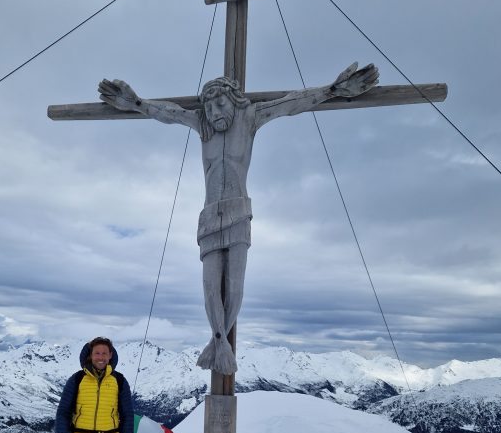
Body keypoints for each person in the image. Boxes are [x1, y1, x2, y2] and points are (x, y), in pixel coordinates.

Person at [99, 63, 378, 374]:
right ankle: (220, 342)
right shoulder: (202, 123)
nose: (216, 109)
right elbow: (170, 113)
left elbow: (291, 104)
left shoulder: (249, 118)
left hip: (239, 213)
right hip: (209, 217)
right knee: (208, 287)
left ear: (235, 100)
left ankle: (220, 343)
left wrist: (332, 90)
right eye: (209, 103)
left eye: (221, 102)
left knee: (235, 288)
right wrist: (136, 103)